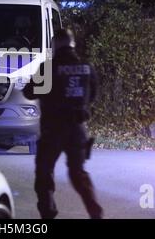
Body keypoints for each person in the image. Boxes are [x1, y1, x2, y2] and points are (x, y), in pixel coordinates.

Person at [23, 28, 103, 219]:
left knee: (44, 170)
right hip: (77, 129)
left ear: (56, 45)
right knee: (78, 172)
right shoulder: (86, 67)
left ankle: (48, 213)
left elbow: (29, 92)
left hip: (53, 129)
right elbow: (92, 95)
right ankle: (95, 212)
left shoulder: (48, 68)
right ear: (72, 43)